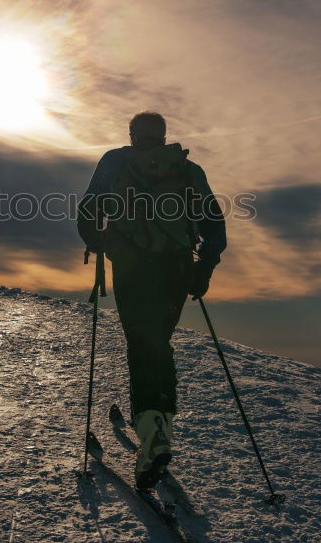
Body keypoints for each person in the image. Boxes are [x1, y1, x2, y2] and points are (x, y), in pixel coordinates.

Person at [77, 111, 226, 490]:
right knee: (157, 343)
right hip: (177, 268)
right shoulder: (187, 168)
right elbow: (214, 224)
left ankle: (152, 433)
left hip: (131, 266)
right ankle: (160, 426)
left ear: (132, 135)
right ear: (163, 136)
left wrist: (102, 245)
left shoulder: (116, 161)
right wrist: (203, 269)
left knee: (141, 345)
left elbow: (87, 211)